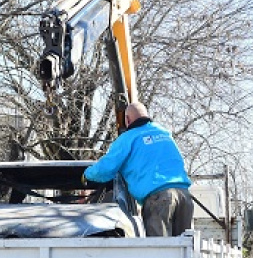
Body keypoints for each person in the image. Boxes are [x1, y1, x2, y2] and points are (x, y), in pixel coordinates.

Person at [83, 101, 194, 236]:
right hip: (184, 196)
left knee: (160, 251)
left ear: (127, 120)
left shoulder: (128, 138)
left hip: (159, 198)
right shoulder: (164, 133)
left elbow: (105, 169)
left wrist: (87, 175)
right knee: (184, 250)